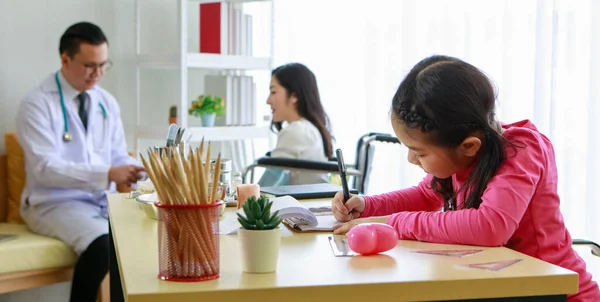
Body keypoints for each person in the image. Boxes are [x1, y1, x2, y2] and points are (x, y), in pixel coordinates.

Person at [331, 55, 600, 301]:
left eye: (419, 152)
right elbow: (425, 196)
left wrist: (393, 223)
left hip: (556, 292)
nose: (411, 160)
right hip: (505, 286)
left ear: (468, 146)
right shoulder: (463, 155)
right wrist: (366, 206)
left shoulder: (522, 149)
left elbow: (490, 226)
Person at [15, 22, 144, 302]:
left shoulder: (106, 102)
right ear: (65, 59)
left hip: (101, 201)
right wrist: (109, 172)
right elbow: (46, 170)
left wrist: (137, 171)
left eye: (103, 65)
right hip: (52, 202)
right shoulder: (37, 104)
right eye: (89, 65)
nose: (97, 74)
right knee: (105, 245)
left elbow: (117, 154)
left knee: (137, 241)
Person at [259, 62, 334, 186]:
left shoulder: (296, 131)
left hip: (305, 203)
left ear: (294, 96)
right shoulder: (307, 128)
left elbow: (267, 184)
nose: (268, 101)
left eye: (273, 92)